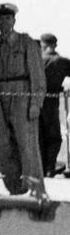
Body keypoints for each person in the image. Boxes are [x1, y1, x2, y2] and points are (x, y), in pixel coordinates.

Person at [0, 4, 45, 198]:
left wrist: (36, 102)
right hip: (0, 95)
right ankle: (13, 189)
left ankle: (34, 190)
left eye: (7, 18)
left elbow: (37, 74)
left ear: (14, 20)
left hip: (22, 93)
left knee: (26, 143)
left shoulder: (26, 43)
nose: (3, 22)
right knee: (4, 145)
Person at [38, 34, 70, 177]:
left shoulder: (36, 61)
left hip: (33, 102)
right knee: (54, 137)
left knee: (38, 136)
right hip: (52, 103)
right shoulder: (63, 61)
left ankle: (40, 168)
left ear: (43, 45)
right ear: (55, 45)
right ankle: (50, 167)